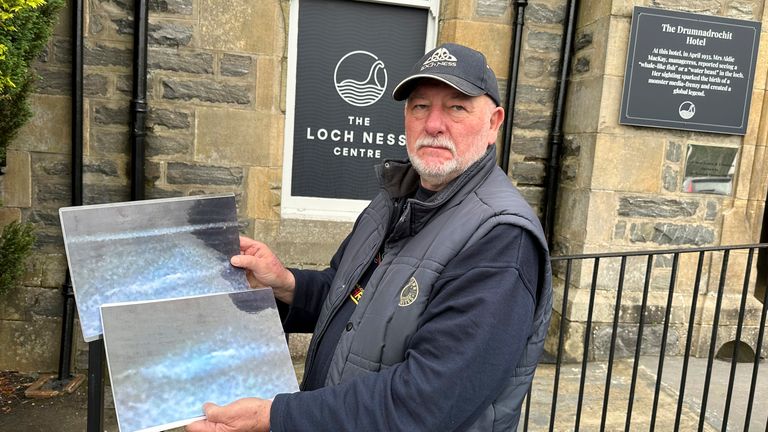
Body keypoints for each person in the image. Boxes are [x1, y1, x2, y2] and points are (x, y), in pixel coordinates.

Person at [187, 42, 552, 432]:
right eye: (420, 106)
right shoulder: (392, 201)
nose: (433, 125)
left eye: (457, 107)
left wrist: (274, 417)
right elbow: (349, 295)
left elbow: (427, 401)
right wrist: (286, 284)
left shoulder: (500, 239)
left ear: (494, 123)